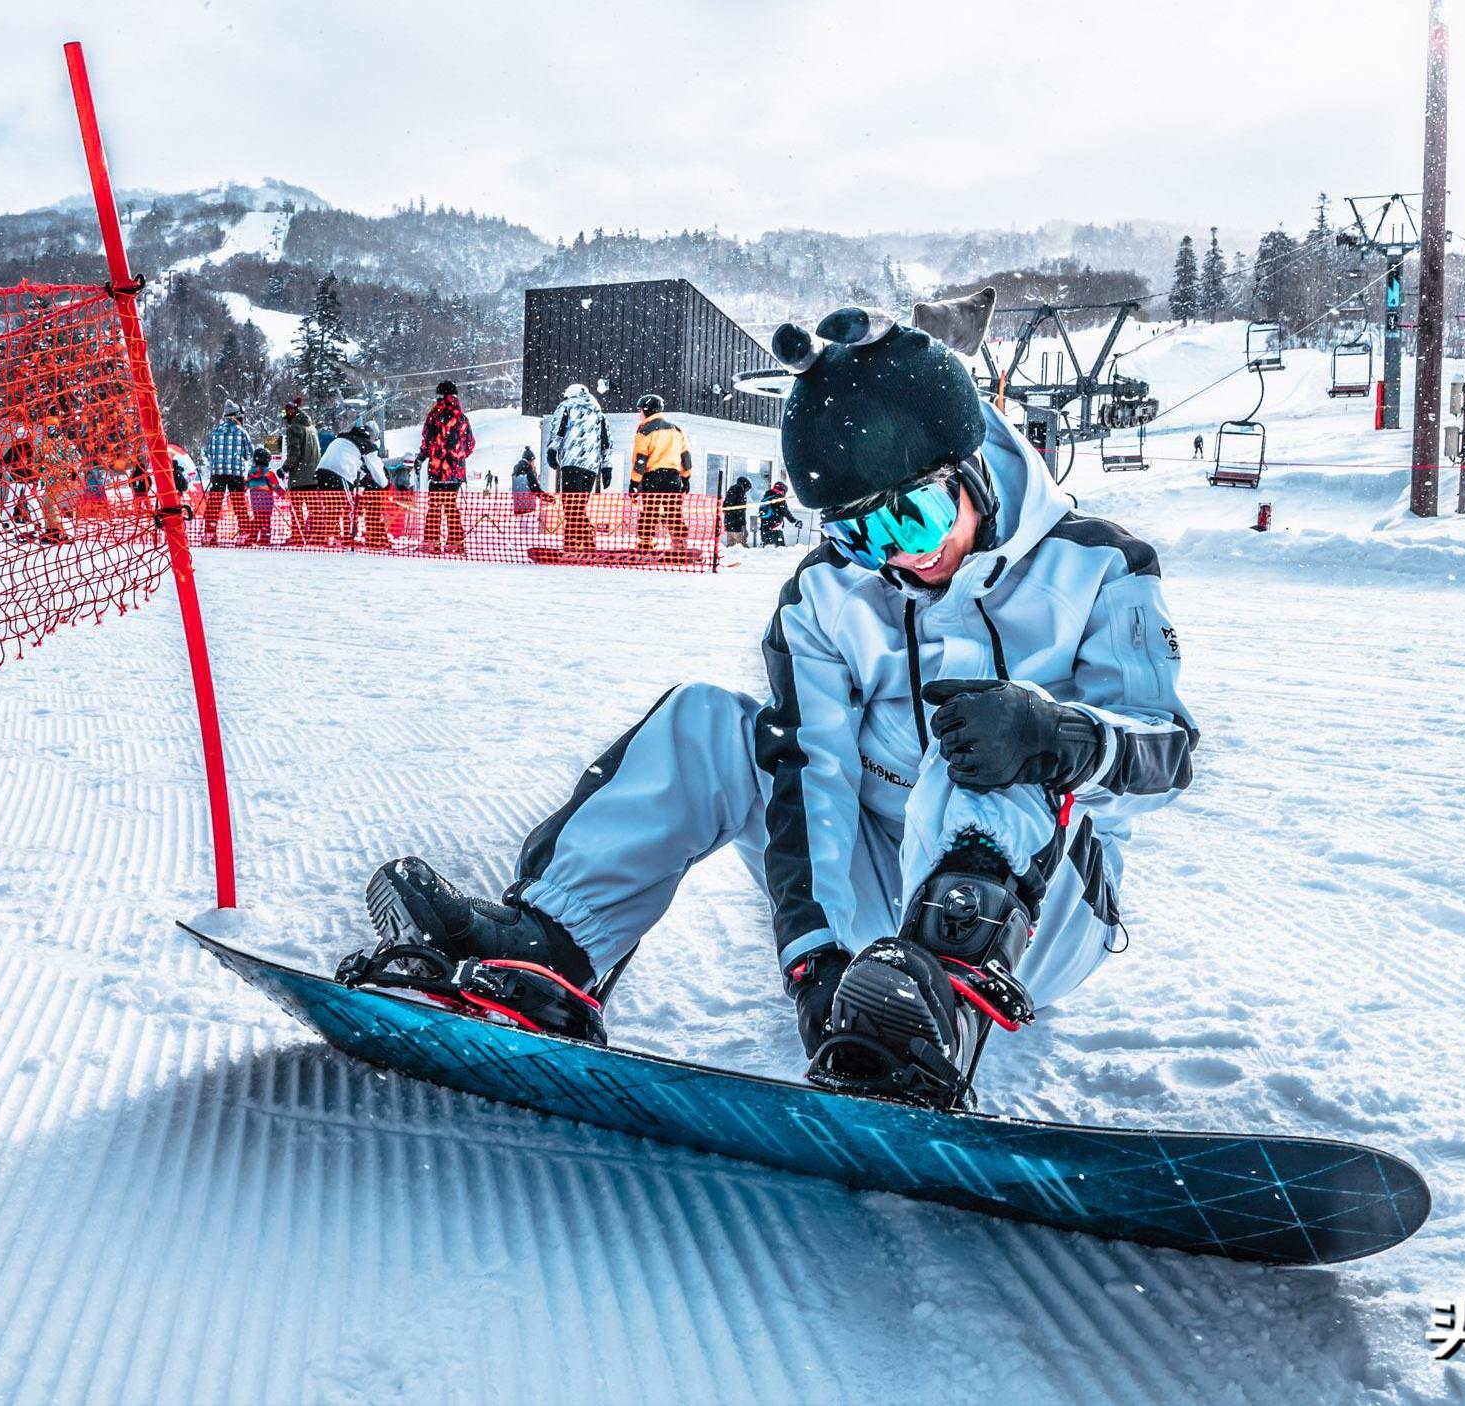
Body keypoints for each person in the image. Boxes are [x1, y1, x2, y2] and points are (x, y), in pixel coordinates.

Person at [345, 294, 1197, 1110]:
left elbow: (1169, 751)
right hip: (877, 898)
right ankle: (552, 948)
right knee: (706, 724)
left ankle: (942, 1005)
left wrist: (1064, 736)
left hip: (1040, 914)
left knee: (981, 735)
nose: (899, 558)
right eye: (860, 533)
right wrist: (820, 966)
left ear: (971, 464)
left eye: (918, 516)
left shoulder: (1100, 567)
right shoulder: (827, 596)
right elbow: (812, 777)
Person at [542, 382, 611, 555]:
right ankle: (584, 542)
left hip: (572, 463)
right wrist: (606, 467)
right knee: (579, 506)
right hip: (591, 467)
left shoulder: (566, 406)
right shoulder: (599, 413)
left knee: (571, 507)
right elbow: (606, 442)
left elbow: (557, 430)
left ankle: (574, 543)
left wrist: (552, 451)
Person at [418, 380, 475, 555]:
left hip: (436, 470)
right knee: (451, 506)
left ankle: (432, 542)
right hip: (455, 471)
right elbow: (470, 444)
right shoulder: (462, 418)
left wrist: (422, 457)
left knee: (434, 505)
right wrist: (457, 457)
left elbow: (427, 441)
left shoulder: (434, 416)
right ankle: (455, 543)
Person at [629, 393, 692, 553]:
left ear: (647, 410)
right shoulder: (677, 430)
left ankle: (646, 543)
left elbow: (640, 460)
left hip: (653, 477)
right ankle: (680, 544)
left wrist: (634, 483)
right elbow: (685, 456)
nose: (639, 414)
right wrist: (686, 478)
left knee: (650, 511)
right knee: (673, 512)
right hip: (674, 477)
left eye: (640, 410)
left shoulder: (644, 431)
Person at [201, 402, 257, 545]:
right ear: (237, 415)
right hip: (235, 474)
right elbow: (249, 454)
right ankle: (243, 534)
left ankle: (209, 533)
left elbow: (207, 453)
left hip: (217, 473)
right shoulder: (241, 432)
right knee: (239, 503)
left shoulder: (214, 432)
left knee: (214, 502)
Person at [276, 398, 322, 546]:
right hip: (314, 475)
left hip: (299, 477)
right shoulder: (312, 428)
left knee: (296, 509)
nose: (285, 417)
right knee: (315, 509)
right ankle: (317, 536)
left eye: (286, 413)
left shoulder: (294, 429)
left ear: (291, 412)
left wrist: (285, 468)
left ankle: (298, 536)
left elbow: (294, 452)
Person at [245, 447, 282, 546]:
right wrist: (283, 494)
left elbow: (246, 485)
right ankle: (265, 539)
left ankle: (252, 537)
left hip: (255, 503)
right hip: (267, 503)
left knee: (257, 520)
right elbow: (275, 486)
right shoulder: (269, 472)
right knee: (266, 521)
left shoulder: (250, 472)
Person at [757, 477, 792, 547]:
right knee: (779, 550)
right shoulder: (779, 498)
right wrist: (795, 521)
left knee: (767, 549)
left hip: (764, 527)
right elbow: (786, 512)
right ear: (783, 490)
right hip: (775, 528)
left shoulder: (766, 498)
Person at [721, 475, 752, 548]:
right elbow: (741, 512)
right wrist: (744, 527)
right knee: (743, 547)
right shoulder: (741, 494)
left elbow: (724, 508)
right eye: (747, 489)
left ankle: (730, 559)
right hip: (737, 526)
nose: (746, 491)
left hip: (728, 525)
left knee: (730, 547)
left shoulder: (730, 492)